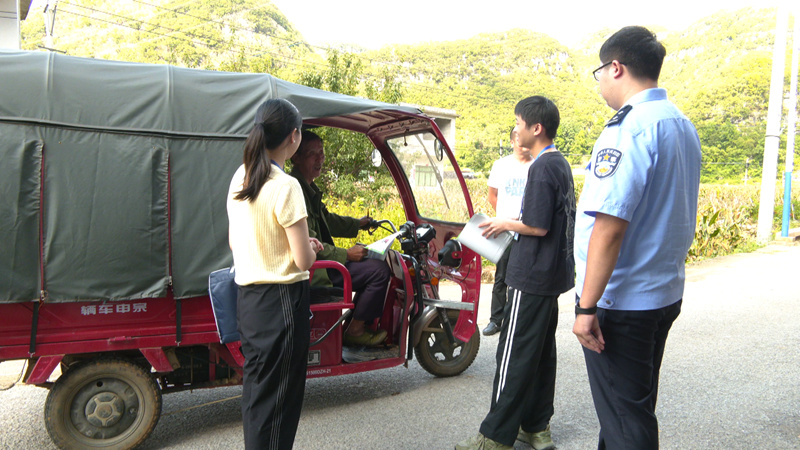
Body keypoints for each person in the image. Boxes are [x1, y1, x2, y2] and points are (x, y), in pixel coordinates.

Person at [572, 26, 701, 449]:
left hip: (620, 301)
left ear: (616, 67)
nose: (600, 84)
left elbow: (609, 227)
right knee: (629, 409)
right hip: (661, 294)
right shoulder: (680, 125)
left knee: (628, 422)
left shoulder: (630, 128)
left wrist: (587, 306)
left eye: (599, 73)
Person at [457, 96, 575, 450]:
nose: (516, 129)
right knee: (539, 352)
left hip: (531, 273)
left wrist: (502, 222)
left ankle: (494, 436)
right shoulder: (561, 164)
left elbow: (536, 227)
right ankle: (536, 427)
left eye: (519, 123)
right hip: (551, 276)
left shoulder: (540, 167)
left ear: (536, 128)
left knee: (511, 353)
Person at [227, 99, 323, 449]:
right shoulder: (285, 185)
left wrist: (295, 245)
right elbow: (302, 261)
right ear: (294, 137)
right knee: (280, 404)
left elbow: (237, 241)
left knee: (258, 398)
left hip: (250, 301)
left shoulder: (243, 174)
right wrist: (310, 248)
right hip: (282, 302)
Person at [290, 130, 391, 347]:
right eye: (312, 154)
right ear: (295, 157)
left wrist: (358, 224)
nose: (319, 159)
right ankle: (355, 330)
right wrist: (346, 254)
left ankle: (355, 326)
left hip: (319, 265)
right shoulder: (295, 189)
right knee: (379, 272)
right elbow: (309, 242)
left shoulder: (307, 187)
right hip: (316, 272)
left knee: (371, 263)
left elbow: (328, 220)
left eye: (321, 153)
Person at [482, 128, 533, 337]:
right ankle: (496, 320)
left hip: (528, 230)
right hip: (504, 231)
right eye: (518, 140)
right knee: (501, 276)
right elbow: (492, 196)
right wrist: (503, 219)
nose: (522, 144)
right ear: (512, 142)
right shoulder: (500, 166)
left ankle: (519, 320)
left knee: (525, 277)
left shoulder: (537, 165)